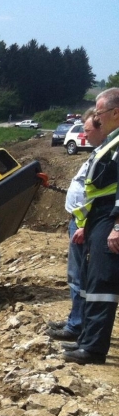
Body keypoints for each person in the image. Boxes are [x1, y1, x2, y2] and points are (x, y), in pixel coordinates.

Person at [63, 88, 119, 365]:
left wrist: (118, 225)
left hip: (111, 216)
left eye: (99, 112)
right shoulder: (112, 141)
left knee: (102, 285)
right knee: (92, 282)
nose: (97, 117)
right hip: (100, 216)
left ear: (115, 112)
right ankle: (87, 340)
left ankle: (94, 349)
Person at [47, 109, 107, 342]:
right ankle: (76, 318)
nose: (83, 133)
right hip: (82, 222)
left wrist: (85, 224)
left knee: (79, 277)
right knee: (77, 276)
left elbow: (99, 195)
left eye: (88, 129)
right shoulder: (98, 153)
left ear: (102, 128)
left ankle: (77, 325)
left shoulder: (108, 155)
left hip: (87, 224)